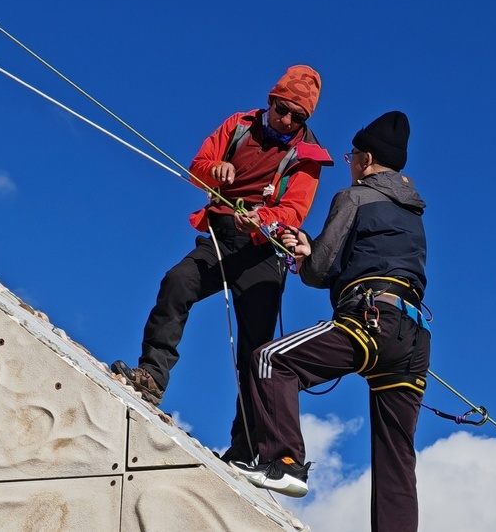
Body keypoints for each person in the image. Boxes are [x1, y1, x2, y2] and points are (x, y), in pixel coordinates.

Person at [112, 65, 332, 465]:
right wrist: (215, 171)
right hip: (222, 236)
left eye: (297, 117)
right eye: (282, 110)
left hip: (263, 253)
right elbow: (198, 169)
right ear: (270, 101)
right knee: (177, 282)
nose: (287, 121)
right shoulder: (238, 125)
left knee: (256, 351)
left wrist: (264, 219)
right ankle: (151, 377)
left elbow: (294, 209)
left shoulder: (310, 156)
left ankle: (246, 447)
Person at [235, 111, 430, 532]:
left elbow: (321, 270)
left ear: (367, 159)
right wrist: (316, 252)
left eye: (352, 155)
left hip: (369, 320)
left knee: (271, 360)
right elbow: (374, 262)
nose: (350, 162)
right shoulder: (414, 215)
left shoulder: (354, 196)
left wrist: (306, 255)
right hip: (413, 339)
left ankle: (283, 462)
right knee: (396, 454)